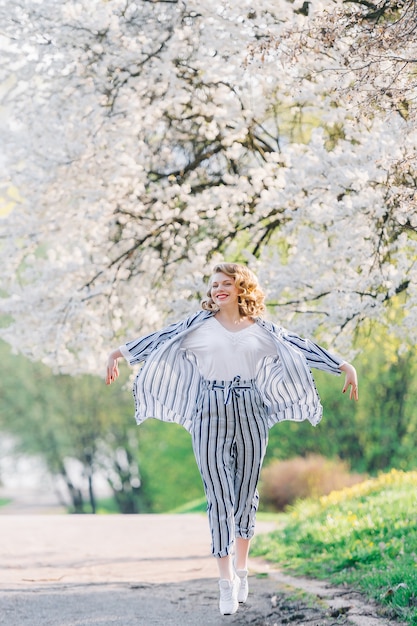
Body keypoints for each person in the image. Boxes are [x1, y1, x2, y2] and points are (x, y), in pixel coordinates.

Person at [106, 262, 358, 616]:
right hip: (209, 411)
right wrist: (118, 353)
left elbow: (301, 347)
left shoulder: (263, 331)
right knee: (218, 495)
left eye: (226, 283)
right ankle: (225, 582)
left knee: (244, 494)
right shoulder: (197, 328)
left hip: (252, 409)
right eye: (214, 285)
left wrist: (342, 365)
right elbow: (159, 339)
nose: (218, 289)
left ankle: (242, 569)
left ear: (243, 289)